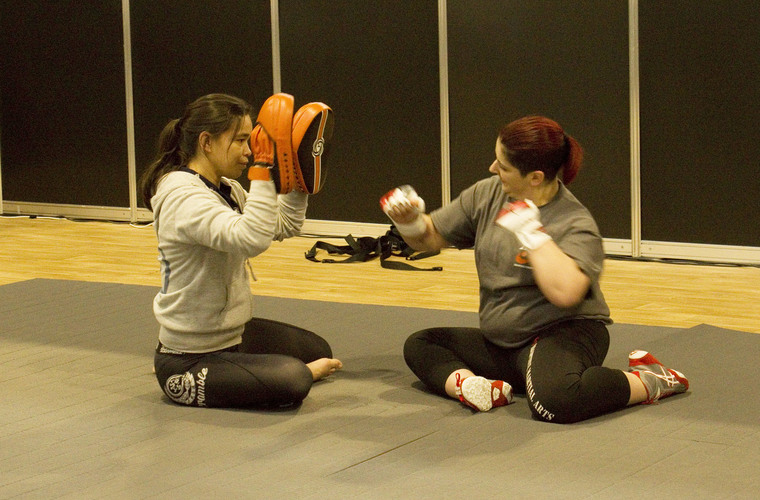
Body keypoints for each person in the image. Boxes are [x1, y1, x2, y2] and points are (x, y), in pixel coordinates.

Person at [381, 115, 688, 423]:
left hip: (564, 333)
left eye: (503, 166)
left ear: (536, 177)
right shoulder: (487, 194)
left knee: (555, 401)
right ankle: (475, 386)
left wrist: (533, 235)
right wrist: (411, 222)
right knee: (421, 344)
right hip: (504, 342)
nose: (492, 168)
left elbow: (567, 293)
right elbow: (430, 238)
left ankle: (650, 379)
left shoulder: (575, 222)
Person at [140, 93, 342, 408]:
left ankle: (238, 368)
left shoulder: (227, 189)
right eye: (241, 141)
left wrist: (297, 179)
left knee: (319, 351)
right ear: (206, 142)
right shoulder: (182, 196)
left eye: (251, 142)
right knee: (296, 378)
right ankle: (178, 373)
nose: (249, 151)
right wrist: (263, 168)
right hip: (189, 358)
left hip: (231, 335)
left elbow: (284, 224)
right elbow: (250, 238)